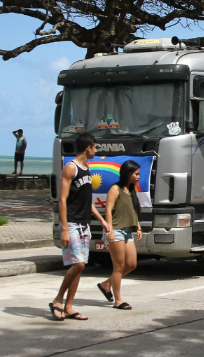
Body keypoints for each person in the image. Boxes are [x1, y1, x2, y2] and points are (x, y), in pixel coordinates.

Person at [50, 133, 111, 321]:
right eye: (95, 147)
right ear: (88, 148)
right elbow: (62, 199)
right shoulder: (71, 168)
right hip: (72, 223)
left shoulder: (87, 169)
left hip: (84, 224)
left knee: (78, 267)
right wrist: (65, 228)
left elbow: (87, 201)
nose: (96, 150)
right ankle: (58, 300)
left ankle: (69, 307)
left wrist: (101, 220)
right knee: (79, 264)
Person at [97, 160, 142, 310]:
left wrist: (139, 227)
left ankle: (106, 284)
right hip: (115, 231)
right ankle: (118, 300)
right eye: (136, 174)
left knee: (132, 264)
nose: (138, 177)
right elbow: (108, 210)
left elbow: (132, 211)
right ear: (128, 174)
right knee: (119, 266)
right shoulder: (115, 189)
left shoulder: (131, 190)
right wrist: (109, 231)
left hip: (128, 231)